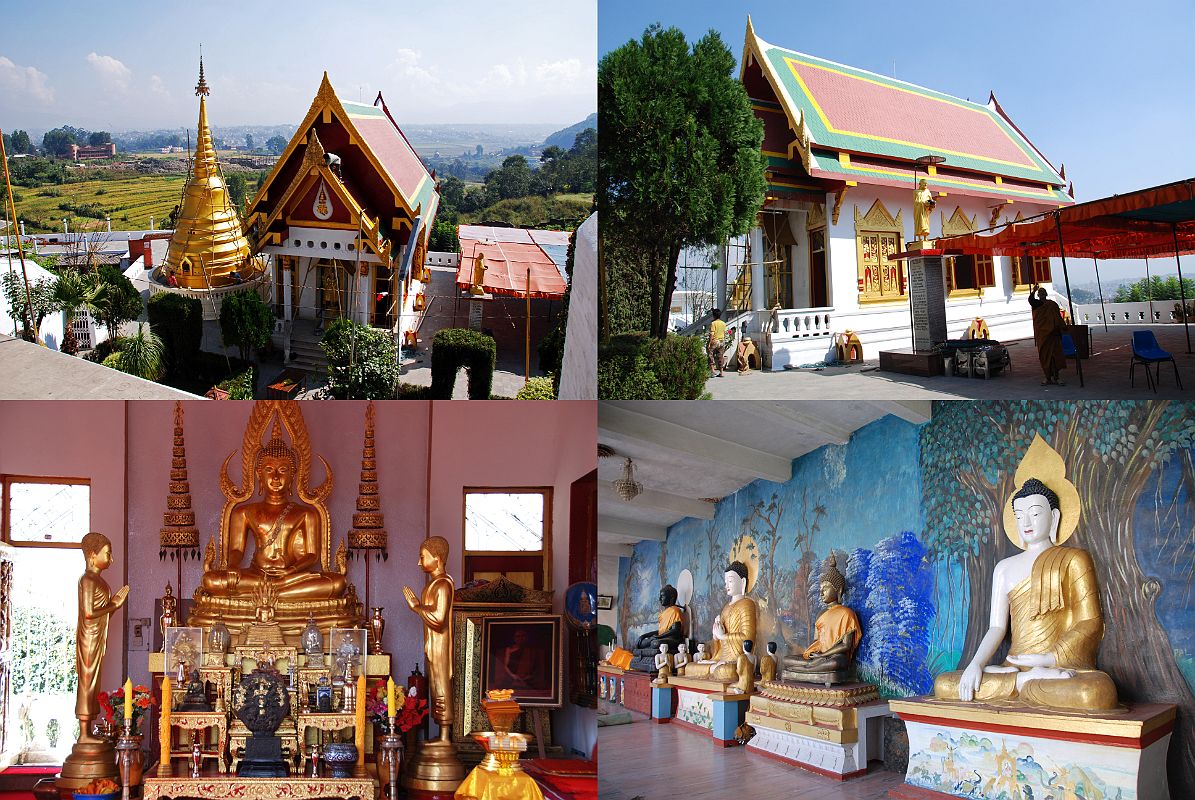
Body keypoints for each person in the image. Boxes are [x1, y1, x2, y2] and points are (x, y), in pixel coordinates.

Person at [1030, 286, 1067, 386]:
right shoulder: (1037, 305)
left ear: (1046, 294)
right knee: (1045, 358)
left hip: (1053, 335)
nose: (1042, 295)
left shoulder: (1052, 305)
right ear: (1038, 295)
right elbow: (1031, 300)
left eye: (1043, 293)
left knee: (1055, 357)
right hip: (1043, 337)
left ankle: (1057, 377)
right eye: (1040, 293)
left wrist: (1062, 327)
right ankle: (1047, 377)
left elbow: (1058, 318)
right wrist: (1033, 291)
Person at [708, 308, 728, 377]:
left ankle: (713, 371)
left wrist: (709, 343)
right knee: (720, 356)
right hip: (722, 341)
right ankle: (721, 372)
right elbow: (724, 333)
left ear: (714, 316)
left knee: (710, 355)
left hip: (715, 341)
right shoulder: (723, 323)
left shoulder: (713, 323)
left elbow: (712, 334)